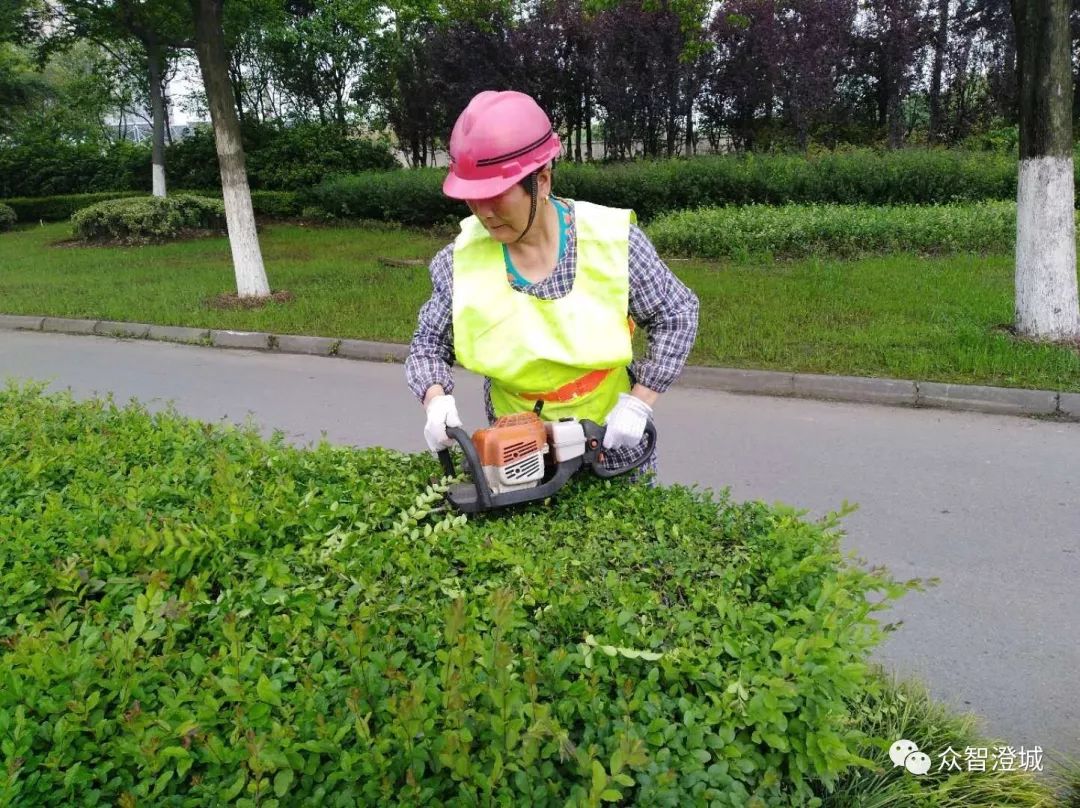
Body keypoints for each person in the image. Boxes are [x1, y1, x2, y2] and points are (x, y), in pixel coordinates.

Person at [405, 90, 699, 483]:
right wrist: (435, 399)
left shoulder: (612, 242)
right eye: (472, 198)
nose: (484, 213)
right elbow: (428, 344)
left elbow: (676, 313)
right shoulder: (459, 262)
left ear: (541, 181)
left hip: (610, 439)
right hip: (518, 449)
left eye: (495, 195)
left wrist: (640, 402)